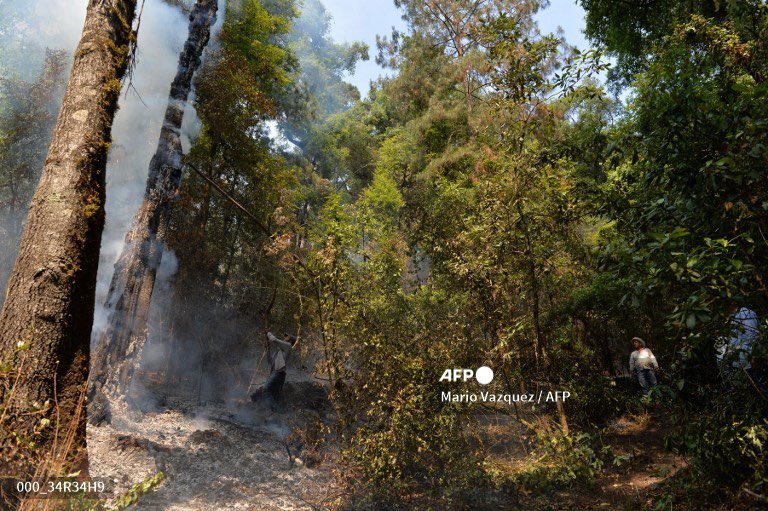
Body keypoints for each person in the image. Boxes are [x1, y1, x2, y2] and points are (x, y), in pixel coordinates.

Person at [251, 332, 296, 408]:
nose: (284, 338)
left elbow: (274, 339)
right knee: (274, 394)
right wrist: (268, 349)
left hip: (278, 373)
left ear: (290, 340)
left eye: (287, 337)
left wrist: (268, 333)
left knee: (266, 389)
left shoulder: (288, 346)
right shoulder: (279, 352)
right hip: (277, 374)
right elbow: (270, 361)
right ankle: (276, 411)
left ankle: (271, 409)